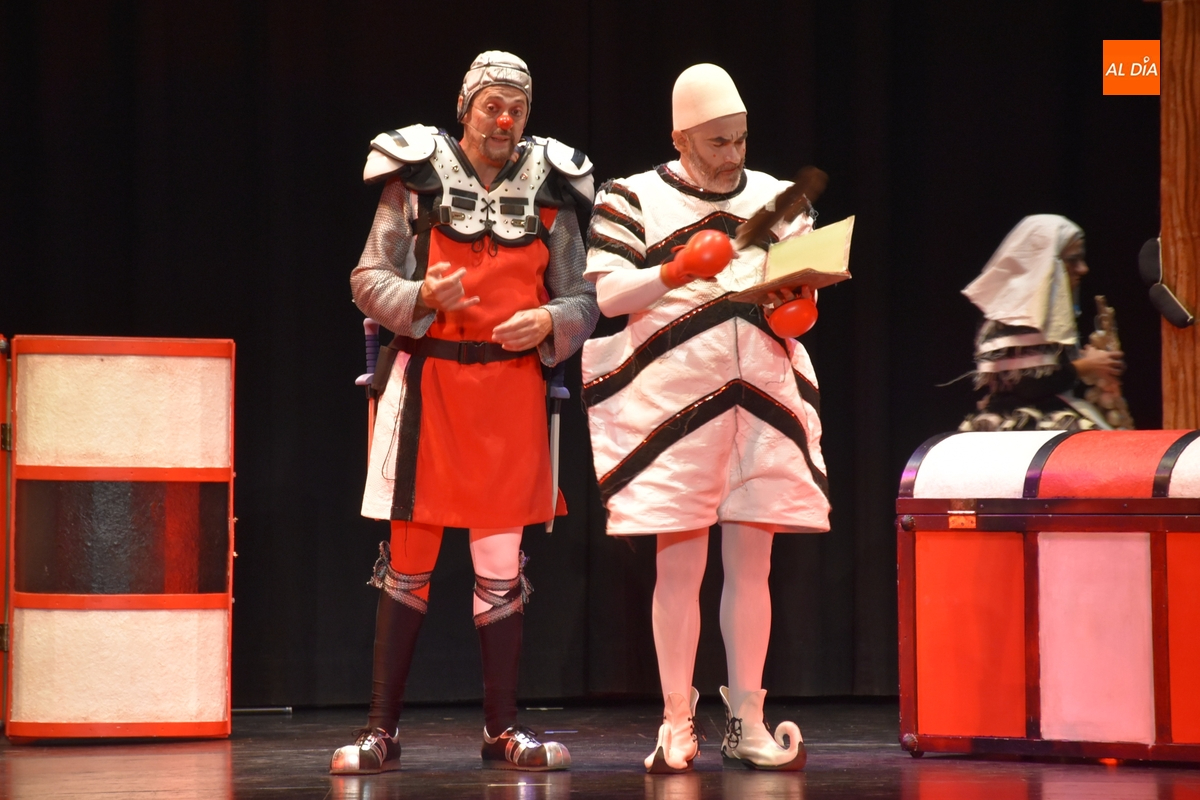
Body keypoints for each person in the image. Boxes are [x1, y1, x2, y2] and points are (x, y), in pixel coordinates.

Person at [331, 51, 598, 775]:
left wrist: (549, 322)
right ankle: (381, 732)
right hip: (429, 391)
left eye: (516, 108)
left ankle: (502, 730)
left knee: (500, 566)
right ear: (464, 106)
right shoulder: (416, 178)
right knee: (408, 562)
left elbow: (583, 298)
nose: (504, 120)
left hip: (510, 396)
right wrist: (419, 297)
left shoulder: (552, 187)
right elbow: (367, 278)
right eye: (491, 106)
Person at [581, 63, 829, 773]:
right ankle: (676, 721)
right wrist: (676, 270)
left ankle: (748, 719)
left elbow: (802, 296)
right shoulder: (632, 196)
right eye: (718, 142)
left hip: (762, 401)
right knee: (681, 566)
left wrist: (798, 303)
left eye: (741, 139)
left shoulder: (777, 200)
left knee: (753, 566)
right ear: (680, 138)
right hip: (675, 406)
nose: (733, 155)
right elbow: (609, 297)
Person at [959, 214, 1124, 431]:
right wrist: (1085, 366)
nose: (1083, 269)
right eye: (1072, 260)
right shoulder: (1016, 314)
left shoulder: (1035, 309)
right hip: (1025, 425)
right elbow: (1028, 386)